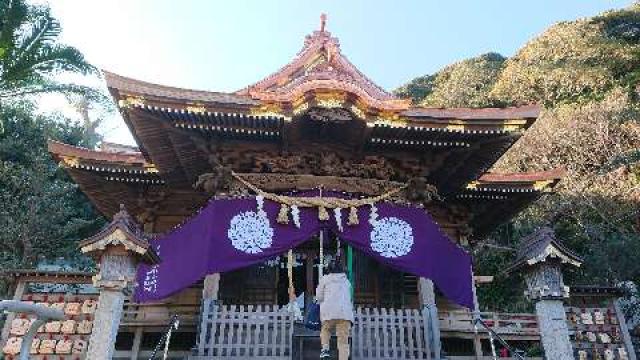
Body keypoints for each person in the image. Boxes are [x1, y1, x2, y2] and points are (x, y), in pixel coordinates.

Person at [316, 261, 354, 359]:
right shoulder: (347, 281)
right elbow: (350, 297)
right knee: (343, 342)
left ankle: (325, 349)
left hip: (329, 312)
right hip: (345, 314)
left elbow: (319, 297)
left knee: (326, 329)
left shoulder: (324, 279)